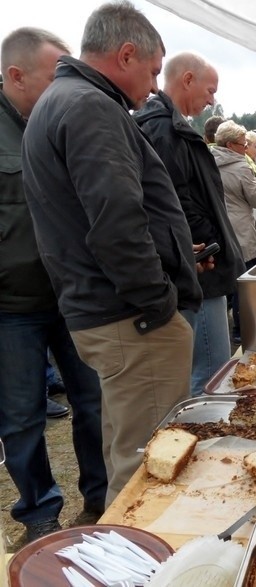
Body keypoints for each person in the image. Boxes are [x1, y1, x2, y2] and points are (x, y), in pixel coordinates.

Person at [21, 1, 203, 506]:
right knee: (147, 465)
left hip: (108, 309)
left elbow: (98, 216)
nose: (151, 87)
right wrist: (158, 300)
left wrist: (170, 251)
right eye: (150, 71)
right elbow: (115, 223)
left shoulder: (65, 101)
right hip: (131, 316)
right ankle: (142, 563)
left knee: (128, 447)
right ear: (126, 54)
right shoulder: (89, 107)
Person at [1, 26, 107, 543]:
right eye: (53, 76)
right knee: (21, 418)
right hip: (11, 306)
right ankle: (40, 514)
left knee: (93, 400)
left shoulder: (68, 118)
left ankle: (103, 497)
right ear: (16, 75)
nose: (66, 84)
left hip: (73, 297)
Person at [134, 51, 245, 397]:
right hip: (199, 267)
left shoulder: (169, 126)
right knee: (210, 373)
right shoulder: (163, 130)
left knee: (207, 367)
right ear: (187, 80)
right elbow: (174, 204)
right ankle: (206, 441)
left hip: (197, 262)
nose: (212, 100)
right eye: (210, 91)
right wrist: (207, 244)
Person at [213, 120, 256, 342]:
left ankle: (231, 329)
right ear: (231, 144)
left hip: (220, 227)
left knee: (228, 279)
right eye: (244, 144)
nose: (246, 148)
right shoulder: (242, 166)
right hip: (241, 228)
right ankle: (244, 331)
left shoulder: (209, 162)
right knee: (245, 282)